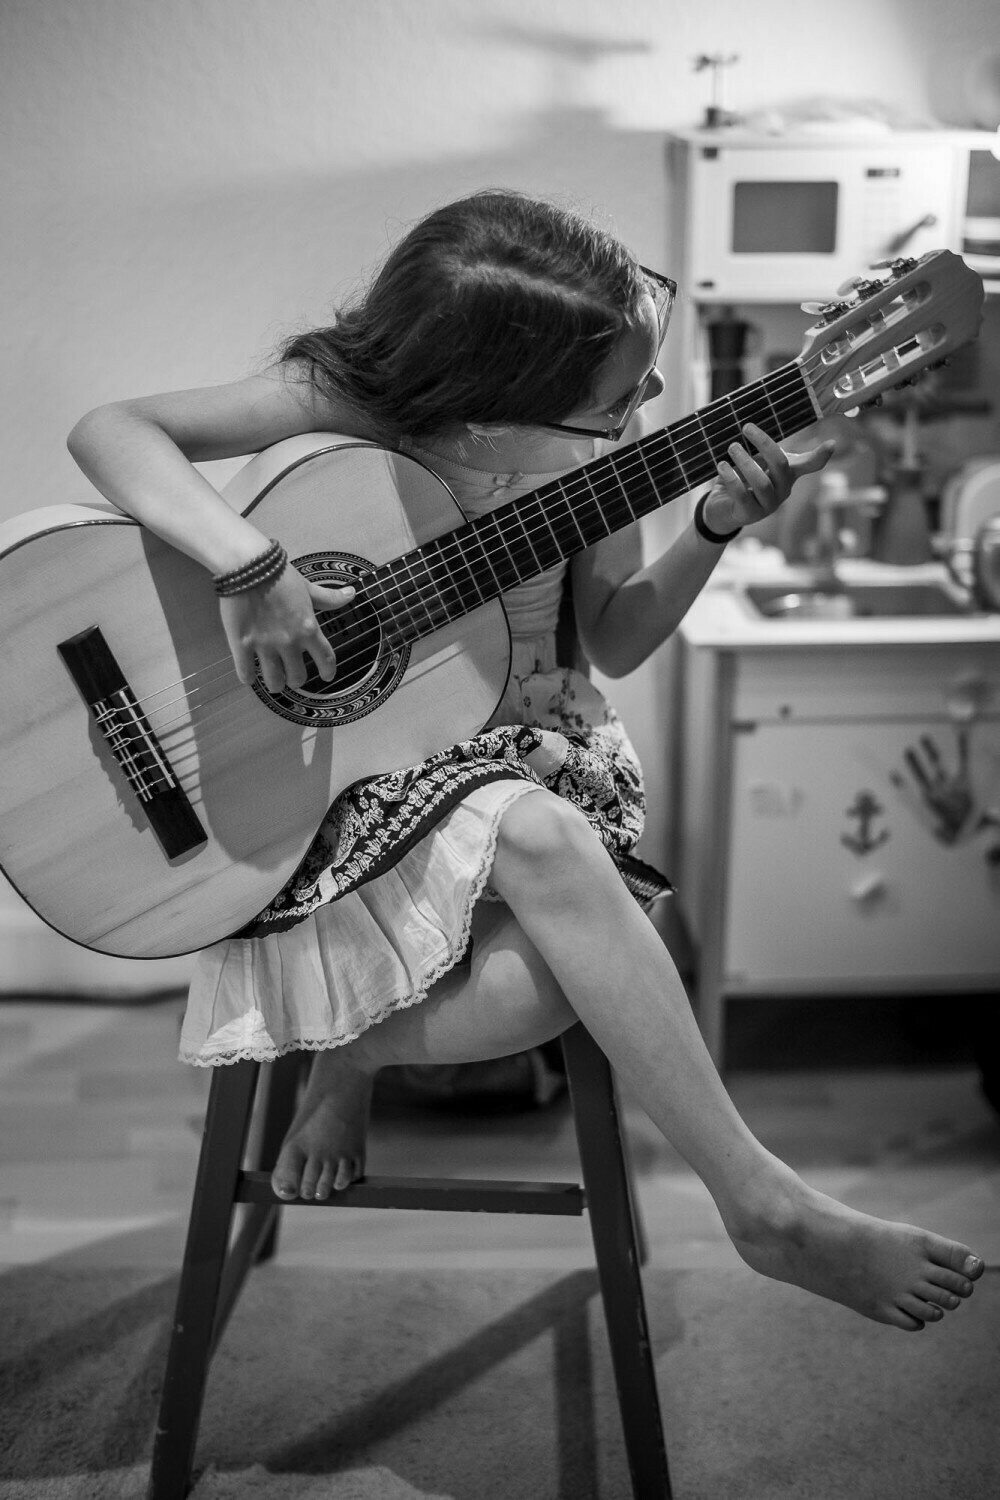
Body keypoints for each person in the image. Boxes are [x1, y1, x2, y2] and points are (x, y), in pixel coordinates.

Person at [68, 189, 983, 1332]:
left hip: (506, 752)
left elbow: (613, 637)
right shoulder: (345, 399)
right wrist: (248, 566)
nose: (644, 402)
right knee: (548, 856)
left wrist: (710, 530)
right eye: (618, 390)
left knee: (555, 987)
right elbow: (112, 429)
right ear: (497, 391)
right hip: (337, 794)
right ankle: (764, 1205)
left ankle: (329, 1049)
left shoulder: (604, 457)